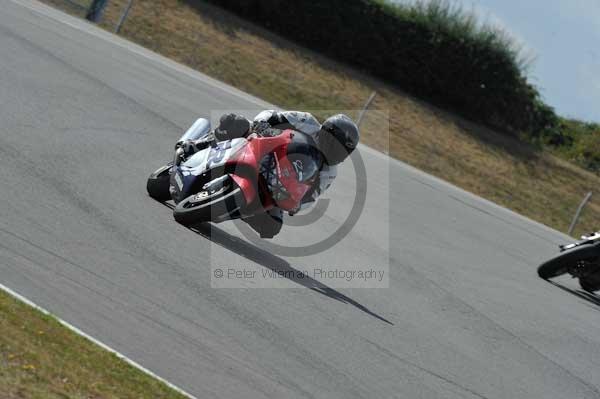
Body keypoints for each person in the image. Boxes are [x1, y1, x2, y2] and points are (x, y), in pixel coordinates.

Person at [180, 111, 359, 238]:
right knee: (236, 122)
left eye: (344, 152)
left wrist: (296, 205)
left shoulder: (329, 173)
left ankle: (238, 207)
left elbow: (309, 198)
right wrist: (261, 124)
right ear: (326, 134)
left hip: (279, 184)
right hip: (264, 148)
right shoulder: (308, 122)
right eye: (336, 147)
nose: (337, 154)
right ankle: (199, 144)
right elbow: (273, 116)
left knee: (271, 226)